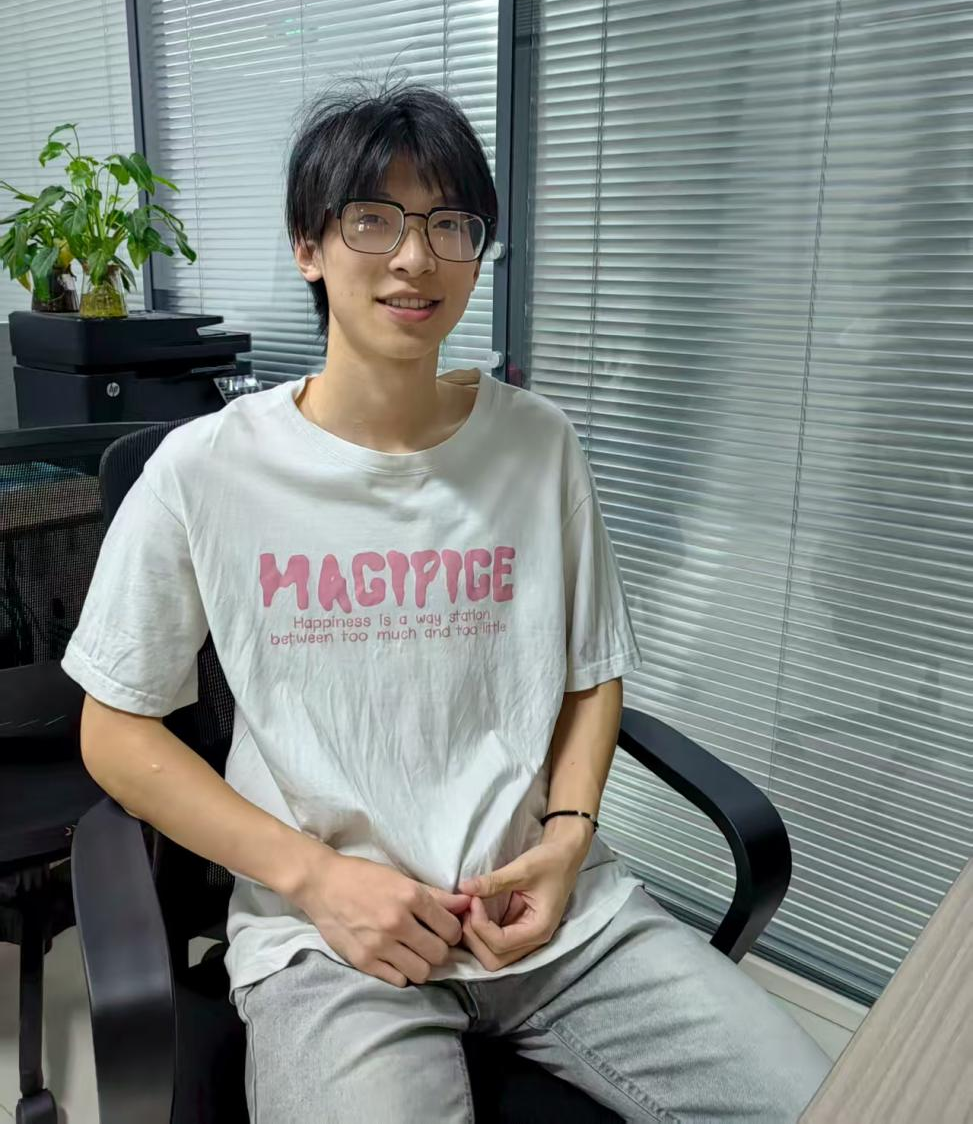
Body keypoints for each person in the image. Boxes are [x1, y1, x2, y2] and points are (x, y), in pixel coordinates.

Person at [63, 76, 832, 1122]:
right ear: (308, 245)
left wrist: (566, 840)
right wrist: (317, 879)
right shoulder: (205, 470)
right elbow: (114, 728)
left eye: (449, 224)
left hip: (554, 917)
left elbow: (589, 674)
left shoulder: (536, 443)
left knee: (849, 1101)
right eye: (373, 219)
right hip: (334, 940)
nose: (415, 257)